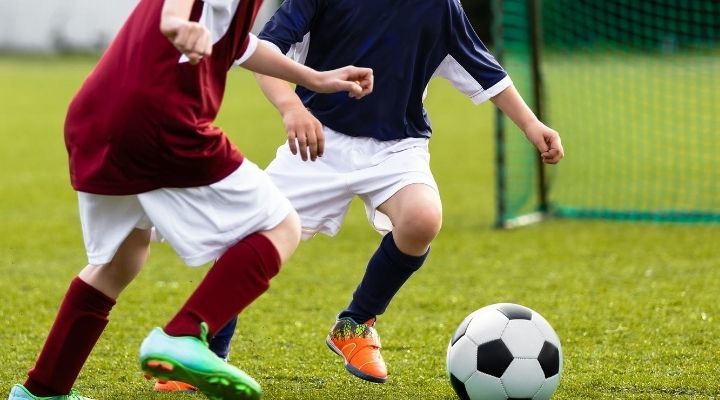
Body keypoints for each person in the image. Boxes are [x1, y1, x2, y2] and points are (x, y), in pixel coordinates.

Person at [6, 0, 373, 398]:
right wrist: (177, 22)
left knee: (121, 259)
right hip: (159, 119)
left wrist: (315, 79)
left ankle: (42, 391)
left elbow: (238, 44)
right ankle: (185, 334)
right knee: (282, 225)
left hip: (98, 114)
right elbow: (177, 14)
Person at [250, 0, 564, 385]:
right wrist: (291, 107)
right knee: (247, 239)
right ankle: (205, 343)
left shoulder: (440, 7)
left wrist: (532, 126)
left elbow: (485, 70)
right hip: (317, 140)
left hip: (397, 147)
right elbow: (264, 53)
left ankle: (355, 324)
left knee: (422, 218)